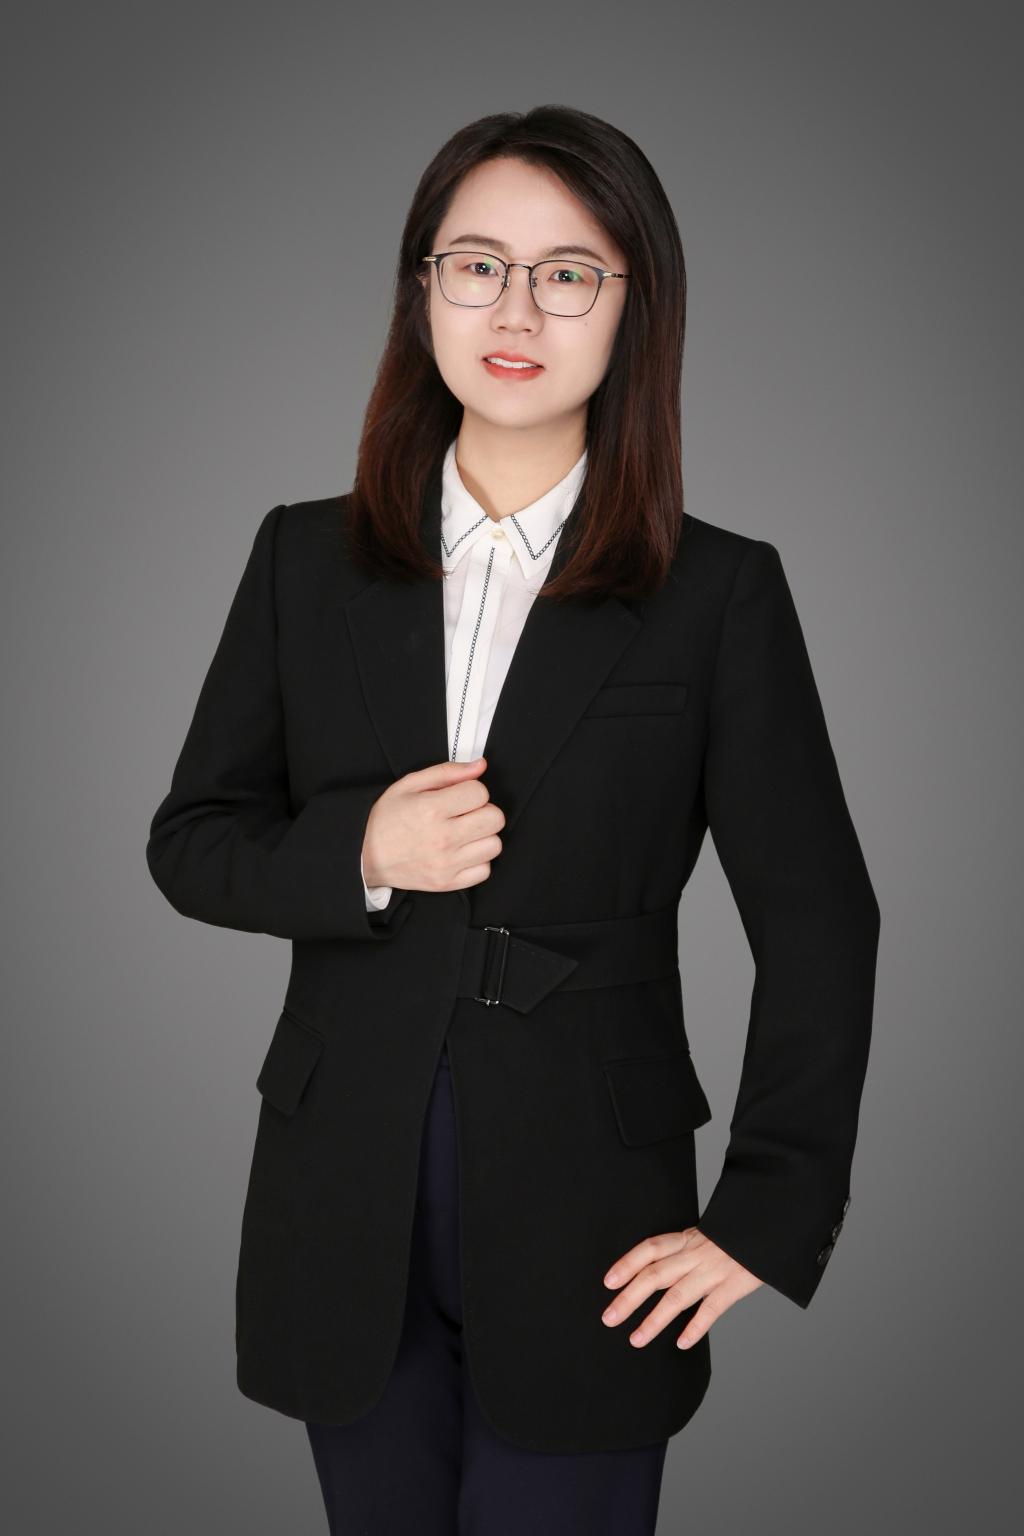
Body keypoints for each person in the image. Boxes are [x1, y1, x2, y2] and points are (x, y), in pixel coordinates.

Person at [146, 105, 881, 1536]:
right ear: (423, 289)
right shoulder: (304, 559)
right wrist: (361, 854)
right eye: (477, 265)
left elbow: (819, 921)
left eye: (569, 272)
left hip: (594, 1207)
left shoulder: (718, 592)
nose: (517, 310)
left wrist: (767, 1216)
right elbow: (194, 837)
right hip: (339, 1184)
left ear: (634, 305)